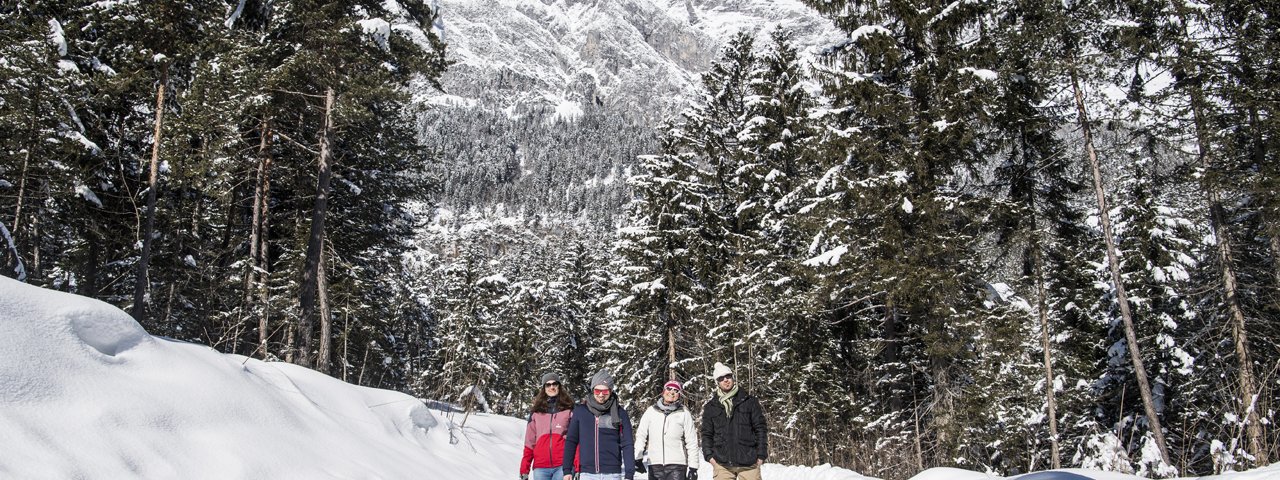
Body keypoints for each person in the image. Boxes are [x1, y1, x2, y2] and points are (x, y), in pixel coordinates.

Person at [563, 368, 635, 480]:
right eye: (597, 391)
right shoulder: (581, 411)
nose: (601, 395)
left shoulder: (620, 413)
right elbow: (571, 441)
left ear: (610, 391)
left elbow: (627, 444)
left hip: (612, 474)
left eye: (605, 391)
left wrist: (629, 474)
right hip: (587, 474)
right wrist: (567, 470)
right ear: (592, 390)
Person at [700, 362, 767, 480]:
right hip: (722, 463)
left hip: (749, 462)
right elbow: (706, 433)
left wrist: (761, 454)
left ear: (733, 378)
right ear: (717, 383)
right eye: (721, 378)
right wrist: (709, 456)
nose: (726, 380)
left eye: (728, 376)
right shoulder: (711, 407)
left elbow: (760, 428)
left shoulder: (749, 401)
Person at [634, 380, 700, 480]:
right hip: (655, 464)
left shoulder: (684, 412)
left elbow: (691, 441)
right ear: (663, 391)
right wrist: (637, 457)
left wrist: (693, 467)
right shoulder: (651, 411)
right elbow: (641, 435)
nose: (672, 392)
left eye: (676, 390)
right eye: (669, 388)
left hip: (677, 466)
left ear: (679, 395)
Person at [521, 372, 577, 480]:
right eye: (548, 384)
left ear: (559, 386)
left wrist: (578, 466)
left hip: (563, 465)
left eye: (554, 384)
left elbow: (576, 440)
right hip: (541, 467)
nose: (551, 387)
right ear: (544, 388)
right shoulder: (536, 412)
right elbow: (529, 442)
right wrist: (524, 468)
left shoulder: (569, 410)